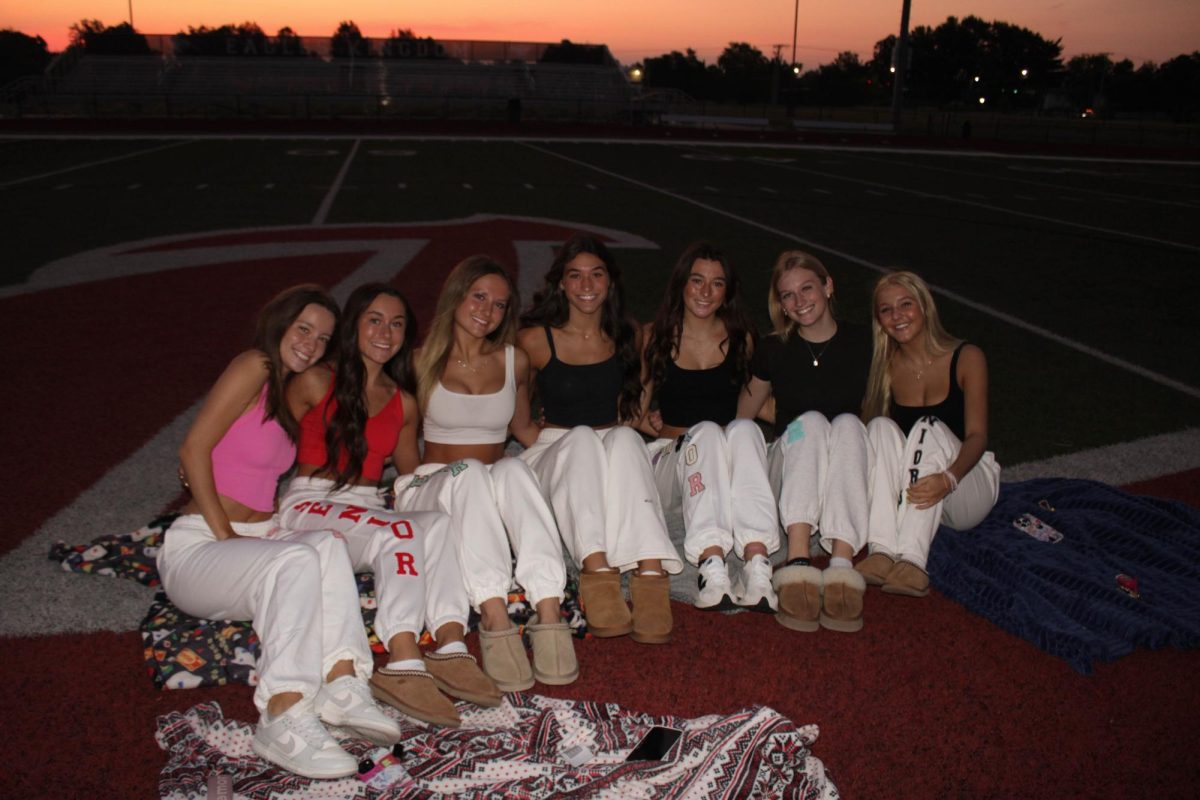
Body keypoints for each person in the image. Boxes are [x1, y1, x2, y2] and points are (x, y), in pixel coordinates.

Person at [157, 285, 401, 780]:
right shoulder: (256, 366)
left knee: (326, 546)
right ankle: (283, 715)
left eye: (323, 337)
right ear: (279, 324)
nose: (311, 343)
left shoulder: (288, 392)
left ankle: (342, 683)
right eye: (303, 329)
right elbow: (192, 451)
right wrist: (227, 537)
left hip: (254, 538)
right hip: (201, 545)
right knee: (294, 561)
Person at [279, 283, 500, 730]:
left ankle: (451, 644)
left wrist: (468, 477)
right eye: (374, 320)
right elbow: (262, 437)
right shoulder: (314, 379)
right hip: (310, 501)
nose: (386, 332)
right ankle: (401, 658)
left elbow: (409, 474)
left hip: (366, 505)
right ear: (353, 325)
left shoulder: (403, 401)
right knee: (398, 531)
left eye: (397, 324)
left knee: (434, 523)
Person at [393, 255, 578, 693]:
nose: (487, 311)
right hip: (430, 485)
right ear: (456, 297)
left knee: (514, 468)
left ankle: (548, 609)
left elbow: (523, 431)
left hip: (487, 482)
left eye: (499, 304)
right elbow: (402, 449)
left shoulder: (515, 361)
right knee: (472, 473)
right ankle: (494, 612)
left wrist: (585, 449)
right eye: (479, 297)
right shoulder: (419, 362)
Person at [516, 234, 682, 645]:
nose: (586, 285)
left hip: (607, 444)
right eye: (575, 276)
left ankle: (648, 571)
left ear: (610, 281)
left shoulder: (628, 334)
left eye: (596, 274)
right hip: (556, 447)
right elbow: (515, 418)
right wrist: (543, 436)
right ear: (561, 284)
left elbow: (633, 411)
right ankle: (597, 571)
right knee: (583, 441)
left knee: (626, 440)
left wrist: (665, 430)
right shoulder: (536, 339)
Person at [639, 242, 780, 614]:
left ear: (727, 291)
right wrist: (657, 427)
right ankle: (710, 565)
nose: (705, 292)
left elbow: (758, 405)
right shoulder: (655, 334)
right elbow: (632, 410)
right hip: (670, 463)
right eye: (697, 281)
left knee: (746, 431)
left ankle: (756, 563)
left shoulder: (741, 338)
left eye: (716, 284)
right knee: (708, 432)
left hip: (721, 459)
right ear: (681, 284)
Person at [737, 251, 874, 632]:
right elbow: (744, 416)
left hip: (841, 464)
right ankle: (798, 562)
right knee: (810, 423)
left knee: (848, 424)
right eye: (787, 296)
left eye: (807, 289)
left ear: (828, 286)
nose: (799, 302)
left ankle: (841, 568)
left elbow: (880, 409)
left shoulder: (865, 341)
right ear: (779, 304)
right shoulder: (773, 348)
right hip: (792, 464)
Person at [859, 270, 1001, 596]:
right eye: (886, 310)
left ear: (925, 307)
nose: (897, 316)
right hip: (917, 496)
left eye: (906, 304)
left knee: (928, 427)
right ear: (878, 319)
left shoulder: (966, 357)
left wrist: (949, 478)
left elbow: (978, 435)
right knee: (878, 427)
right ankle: (880, 550)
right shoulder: (884, 368)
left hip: (965, 487)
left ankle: (911, 558)